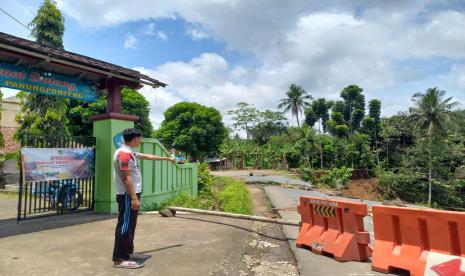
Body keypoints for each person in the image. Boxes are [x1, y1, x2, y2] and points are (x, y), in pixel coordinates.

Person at [112, 128, 176, 269]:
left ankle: (128, 254)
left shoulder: (129, 152)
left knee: (131, 226)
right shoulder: (124, 154)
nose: (140, 141)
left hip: (132, 194)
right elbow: (126, 177)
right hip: (128, 195)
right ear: (135, 139)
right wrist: (134, 198)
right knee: (124, 226)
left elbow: (147, 156)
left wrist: (167, 159)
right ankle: (119, 259)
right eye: (140, 138)